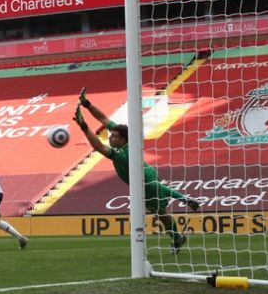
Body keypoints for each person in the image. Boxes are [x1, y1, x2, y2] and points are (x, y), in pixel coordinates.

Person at [74, 88, 200, 253]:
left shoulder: (123, 154)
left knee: (158, 210)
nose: (110, 137)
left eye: (113, 136)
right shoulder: (124, 140)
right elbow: (104, 119)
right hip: (144, 176)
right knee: (160, 211)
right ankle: (176, 235)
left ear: (122, 139)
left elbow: (98, 147)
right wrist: (87, 104)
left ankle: (144, 248)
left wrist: (84, 126)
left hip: (143, 180)